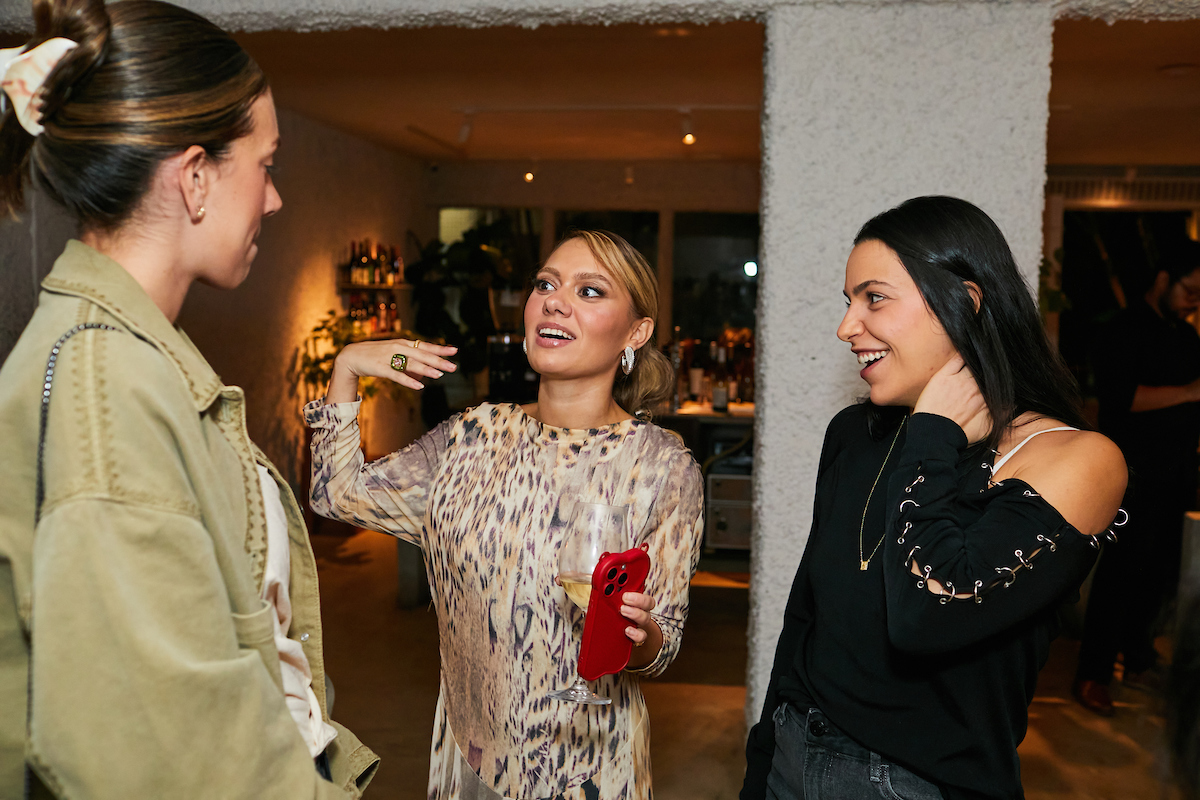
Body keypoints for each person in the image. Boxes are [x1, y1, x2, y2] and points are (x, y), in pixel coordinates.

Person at [0, 1, 377, 797]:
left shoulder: (141, 363)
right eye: (266, 165)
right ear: (197, 177)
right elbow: (169, 752)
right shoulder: (107, 389)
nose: (273, 200)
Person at [741, 196, 1127, 800]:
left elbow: (928, 614)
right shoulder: (854, 433)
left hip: (914, 783)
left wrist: (932, 435)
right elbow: (805, 619)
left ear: (966, 303)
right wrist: (761, 762)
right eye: (849, 302)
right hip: (794, 752)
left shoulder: (1078, 459)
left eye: (874, 297)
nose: (847, 327)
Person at [307, 229, 704, 800]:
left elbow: (659, 647)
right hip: (467, 763)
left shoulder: (661, 467)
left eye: (590, 291)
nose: (555, 301)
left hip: (587, 769)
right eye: (545, 284)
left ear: (636, 332)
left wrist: (635, 633)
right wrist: (347, 369)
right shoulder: (471, 437)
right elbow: (335, 493)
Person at [1073, 240, 1200, 716]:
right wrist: (1189, 392)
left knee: (1163, 574)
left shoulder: (1187, 337)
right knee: (1121, 574)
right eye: (1190, 290)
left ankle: (1138, 656)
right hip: (1132, 475)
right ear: (1164, 280)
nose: (1194, 302)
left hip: (1178, 473)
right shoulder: (1123, 330)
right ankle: (1093, 673)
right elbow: (1119, 401)